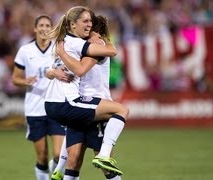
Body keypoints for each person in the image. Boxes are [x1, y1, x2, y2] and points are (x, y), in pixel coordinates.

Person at [44, 6, 128, 177]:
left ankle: (59, 169)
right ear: (73, 25)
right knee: (121, 111)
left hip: (79, 102)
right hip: (86, 103)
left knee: (74, 160)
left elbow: (55, 68)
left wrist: (54, 69)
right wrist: (53, 71)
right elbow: (82, 69)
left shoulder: (77, 44)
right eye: (85, 21)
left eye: (90, 22)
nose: (88, 25)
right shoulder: (82, 45)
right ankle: (103, 155)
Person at [12, 15, 68, 180]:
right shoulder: (25, 50)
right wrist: (24, 81)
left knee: (59, 155)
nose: (44, 28)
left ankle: (55, 169)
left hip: (56, 107)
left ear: (52, 29)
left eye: (48, 25)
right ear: (35, 28)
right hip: (34, 109)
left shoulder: (58, 49)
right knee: (42, 156)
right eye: (41, 25)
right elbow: (15, 78)